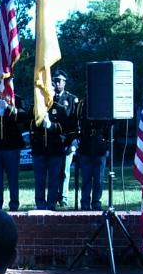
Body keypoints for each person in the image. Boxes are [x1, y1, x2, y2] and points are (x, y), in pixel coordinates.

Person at [31, 72, 77, 210]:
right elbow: (29, 125)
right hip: (39, 149)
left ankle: (51, 204)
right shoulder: (36, 108)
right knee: (39, 179)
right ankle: (40, 203)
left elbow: (65, 127)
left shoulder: (60, 108)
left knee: (54, 179)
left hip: (55, 149)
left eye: (49, 90)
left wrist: (52, 126)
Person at [52, 71, 81, 208]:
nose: (57, 83)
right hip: (52, 141)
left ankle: (63, 196)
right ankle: (53, 196)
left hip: (66, 141)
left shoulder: (71, 99)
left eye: (60, 81)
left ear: (64, 82)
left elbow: (75, 122)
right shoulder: (49, 98)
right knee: (53, 170)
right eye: (55, 80)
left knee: (64, 171)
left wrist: (74, 140)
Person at [76, 101, 111, 211]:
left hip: (99, 145)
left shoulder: (102, 103)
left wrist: (108, 145)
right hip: (85, 145)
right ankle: (85, 202)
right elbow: (76, 121)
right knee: (86, 177)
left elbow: (109, 126)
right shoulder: (82, 104)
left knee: (98, 178)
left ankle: (96, 202)